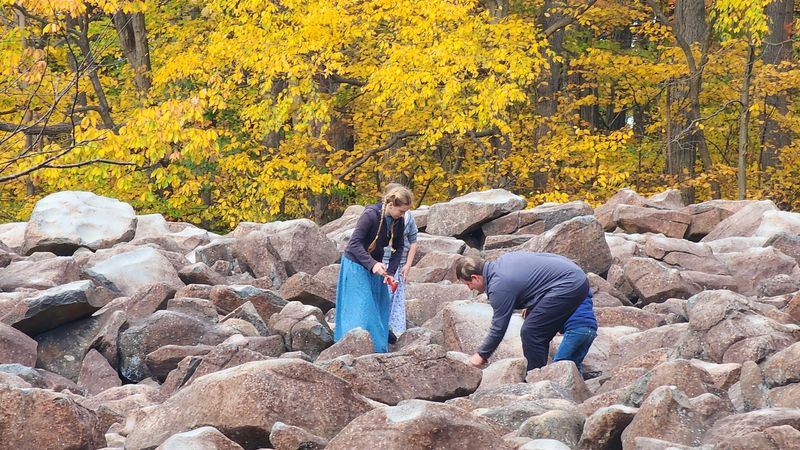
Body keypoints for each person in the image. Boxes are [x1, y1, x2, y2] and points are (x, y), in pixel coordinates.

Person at [455, 251, 590, 372]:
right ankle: (543, 371)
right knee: (536, 324)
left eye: (468, 284)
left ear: (475, 277)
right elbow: (535, 277)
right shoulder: (503, 261)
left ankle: (535, 376)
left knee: (531, 332)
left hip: (570, 284)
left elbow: (499, 327)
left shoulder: (498, 287)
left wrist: (481, 355)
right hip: (576, 277)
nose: (470, 289)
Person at [334, 184, 413, 352]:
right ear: (391, 205)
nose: (403, 215)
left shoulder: (398, 221)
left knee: (381, 304)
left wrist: (390, 272)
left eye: (405, 212)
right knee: (363, 307)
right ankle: (352, 348)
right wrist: (373, 264)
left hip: (375, 266)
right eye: (401, 211)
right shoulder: (370, 215)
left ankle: (378, 348)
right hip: (356, 263)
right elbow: (354, 244)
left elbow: (399, 248)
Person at [381, 205, 419, 343]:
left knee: (396, 298)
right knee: (383, 295)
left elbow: (413, 241)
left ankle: (396, 331)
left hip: (400, 263)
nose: (402, 214)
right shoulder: (382, 216)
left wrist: (408, 264)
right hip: (382, 262)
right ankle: (382, 329)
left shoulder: (408, 219)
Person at [551, 291, 597, 376]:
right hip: (591, 330)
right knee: (576, 364)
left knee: (559, 362)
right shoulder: (585, 295)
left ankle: (554, 387)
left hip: (576, 328)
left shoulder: (566, 292)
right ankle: (580, 388)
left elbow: (558, 313)